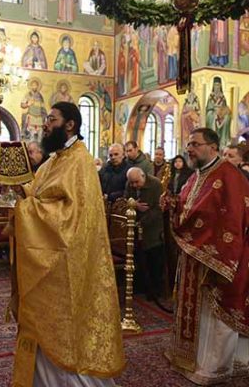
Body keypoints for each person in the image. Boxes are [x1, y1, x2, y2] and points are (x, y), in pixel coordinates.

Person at [12, 101, 125, 386]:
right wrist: (19, 187)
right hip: (49, 257)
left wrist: (26, 211)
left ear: (70, 124)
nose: (45, 124)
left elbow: (70, 215)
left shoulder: (80, 160)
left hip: (66, 261)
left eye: (52, 119)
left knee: (63, 326)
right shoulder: (54, 159)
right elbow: (38, 193)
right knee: (42, 322)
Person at [165, 127, 249, 385]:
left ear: (213, 147)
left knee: (214, 313)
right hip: (194, 253)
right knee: (197, 311)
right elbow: (190, 208)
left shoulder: (229, 176)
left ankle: (214, 366)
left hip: (219, 257)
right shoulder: (196, 176)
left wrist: (211, 248)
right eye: (188, 144)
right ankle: (191, 358)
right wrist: (174, 206)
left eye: (195, 144)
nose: (189, 149)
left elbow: (235, 218)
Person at [125, 167, 165, 300]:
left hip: (153, 228)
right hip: (136, 227)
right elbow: (126, 199)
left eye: (136, 182)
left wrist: (142, 222)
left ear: (143, 176)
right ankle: (141, 286)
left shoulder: (155, 184)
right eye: (132, 183)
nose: (134, 185)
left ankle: (155, 290)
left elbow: (159, 208)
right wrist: (134, 205)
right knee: (139, 258)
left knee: (154, 259)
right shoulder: (130, 183)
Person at [205, 77, 231, 147]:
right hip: (213, 114)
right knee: (211, 115)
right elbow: (208, 109)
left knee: (227, 117)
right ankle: (212, 139)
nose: (217, 87)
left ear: (221, 86)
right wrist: (214, 112)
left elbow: (225, 107)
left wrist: (223, 112)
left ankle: (223, 140)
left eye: (218, 85)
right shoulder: (210, 96)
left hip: (221, 115)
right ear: (213, 86)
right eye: (215, 85)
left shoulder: (223, 97)